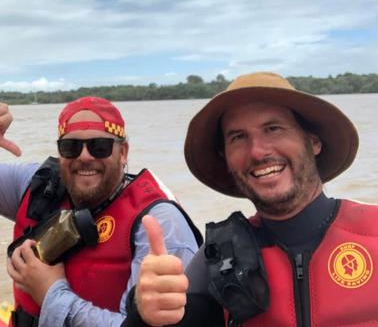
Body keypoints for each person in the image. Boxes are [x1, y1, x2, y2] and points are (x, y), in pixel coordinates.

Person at [0, 87, 202, 327]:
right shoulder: (39, 186)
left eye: (100, 147)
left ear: (123, 153)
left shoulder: (159, 223)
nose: (84, 157)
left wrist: (51, 292)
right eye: (71, 147)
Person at [126, 72, 378, 326]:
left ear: (313, 142)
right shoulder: (218, 261)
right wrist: (143, 313)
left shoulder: (373, 231)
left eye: (273, 129)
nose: (257, 151)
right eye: (238, 137)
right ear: (226, 159)